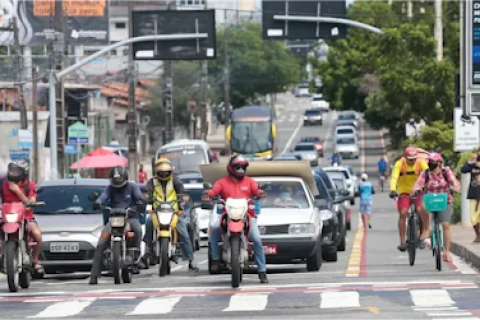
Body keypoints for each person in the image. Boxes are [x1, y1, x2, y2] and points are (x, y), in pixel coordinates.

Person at [202, 155, 269, 283]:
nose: (240, 170)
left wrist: (260, 193)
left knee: (257, 239)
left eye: (242, 167)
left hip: (246, 215)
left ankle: (262, 271)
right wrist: (208, 194)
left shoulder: (249, 182)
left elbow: (256, 190)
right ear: (230, 168)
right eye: (237, 167)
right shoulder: (222, 182)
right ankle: (215, 259)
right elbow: (214, 191)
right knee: (215, 229)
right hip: (227, 215)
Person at [89, 166, 145, 285]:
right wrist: (98, 203)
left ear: (125, 178)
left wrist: (141, 200)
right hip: (114, 218)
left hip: (130, 217)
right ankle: (94, 275)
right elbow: (103, 196)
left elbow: (139, 195)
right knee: (101, 242)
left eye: (119, 179)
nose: (117, 182)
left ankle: (136, 255)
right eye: (115, 180)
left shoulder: (132, 187)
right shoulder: (110, 188)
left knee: (137, 230)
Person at [144, 158, 199, 272]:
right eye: (161, 173)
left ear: (170, 172)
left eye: (166, 173)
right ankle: (148, 249)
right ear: (157, 172)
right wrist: (145, 198)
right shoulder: (152, 182)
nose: (164, 175)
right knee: (149, 222)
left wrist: (184, 197)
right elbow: (146, 193)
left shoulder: (175, 181)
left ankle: (191, 260)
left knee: (183, 231)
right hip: (157, 212)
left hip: (173, 212)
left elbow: (182, 191)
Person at [411, 153, 460, 262]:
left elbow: (453, 180)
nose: (430, 164)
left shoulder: (445, 171)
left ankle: (447, 252)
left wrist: (456, 186)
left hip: (444, 200)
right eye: (429, 162)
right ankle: (427, 229)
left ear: (439, 163)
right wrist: (415, 189)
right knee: (422, 205)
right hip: (430, 200)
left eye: (432, 162)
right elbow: (418, 183)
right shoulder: (426, 173)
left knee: (446, 225)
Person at [0, 161, 41, 273]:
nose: (13, 174)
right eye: (11, 171)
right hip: (6, 217)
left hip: (26, 217)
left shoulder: (30, 185)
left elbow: (31, 201)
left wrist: (18, 192)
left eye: (16, 171)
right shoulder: (3, 184)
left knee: (36, 233)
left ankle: (35, 261)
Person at [389, 147, 429, 252]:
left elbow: (428, 175)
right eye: (410, 159)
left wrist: (428, 186)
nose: (412, 161)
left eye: (414, 159)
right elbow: (394, 177)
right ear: (405, 158)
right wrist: (393, 189)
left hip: (417, 191)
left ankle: (421, 236)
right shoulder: (399, 164)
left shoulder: (421, 163)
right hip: (404, 192)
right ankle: (402, 241)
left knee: (421, 211)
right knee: (403, 213)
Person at [460, 152, 480, 243]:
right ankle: (478, 236)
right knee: (473, 218)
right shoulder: (473, 165)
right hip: (474, 194)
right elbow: (463, 170)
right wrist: (470, 160)